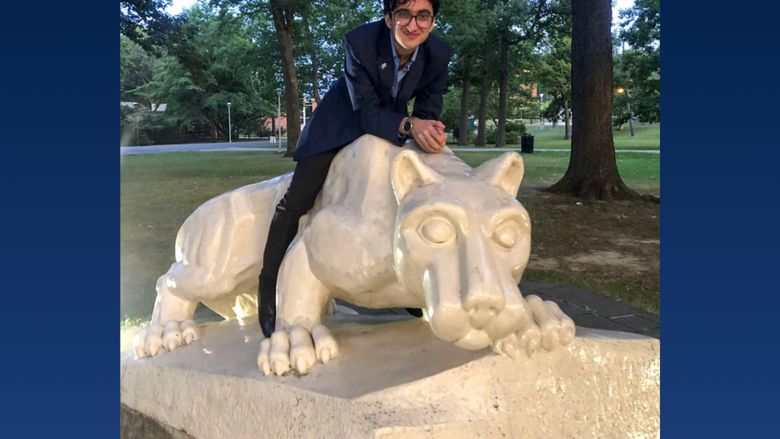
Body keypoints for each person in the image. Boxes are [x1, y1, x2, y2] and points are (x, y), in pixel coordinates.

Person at [258, 0, 453, 338]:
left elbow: (429, 108)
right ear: (388, 16)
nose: (413, 24)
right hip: (340, 124)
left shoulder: (437, 54)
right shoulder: (359, 43)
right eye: (404, 14)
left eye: (424, 16)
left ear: (433, 22)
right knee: (298, 200)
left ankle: (407, 283)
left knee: (404, 193)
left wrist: (430, 131)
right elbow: (365, 111)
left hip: (392, 127)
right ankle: (268, 287)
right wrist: (410, 124)